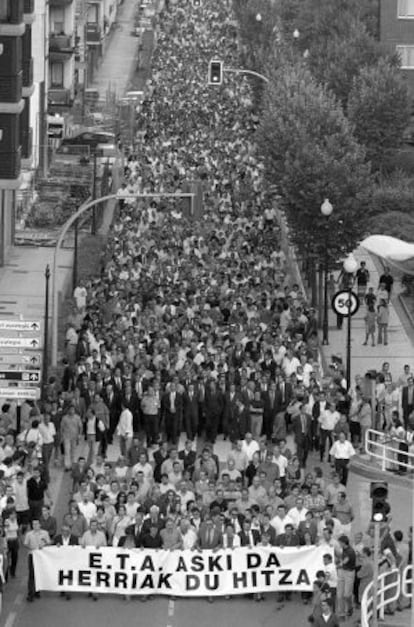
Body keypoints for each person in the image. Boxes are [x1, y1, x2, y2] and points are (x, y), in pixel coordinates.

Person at [24, 519, 50, 602]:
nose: (35, 525)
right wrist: (30, 548)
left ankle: (37, 591)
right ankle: (30, 594)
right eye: (33, 524)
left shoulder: (45, 533)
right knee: (31, 574)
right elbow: (25, 544)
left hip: (42, 556)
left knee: (39, 574)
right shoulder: (29, 534)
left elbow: (49, 543)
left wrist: (44, 544)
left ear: (40, 525)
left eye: (36, 524)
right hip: (32, 555)